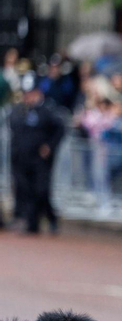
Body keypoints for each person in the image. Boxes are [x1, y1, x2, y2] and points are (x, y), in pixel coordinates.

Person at [7, 75, 65, 235]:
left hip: (40, 160)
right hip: (21, 158)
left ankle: (49, 219)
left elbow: (60, 129)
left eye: (30, 93)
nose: (27, 96)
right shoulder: (19, 110)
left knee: (41, 190)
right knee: (24, 190)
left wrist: (49, 147)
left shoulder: (47, 110)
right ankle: (30, 223)